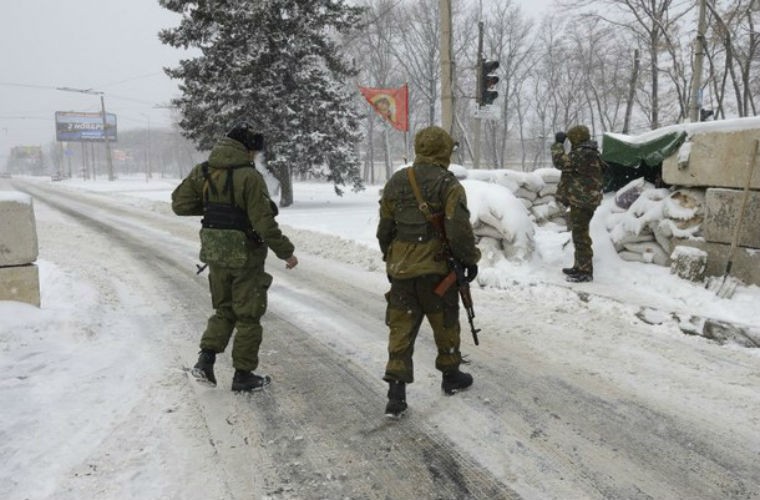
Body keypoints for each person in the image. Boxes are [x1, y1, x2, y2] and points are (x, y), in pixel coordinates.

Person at [171, 122, 298, 392]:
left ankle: (205, 362)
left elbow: (179, 204)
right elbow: (263, 222)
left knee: (224, 309)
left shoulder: (203, 171)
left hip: (215, 252)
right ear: (246, 150)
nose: (255, 157)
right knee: (248, 315)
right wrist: (286, 252)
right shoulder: (250, 177)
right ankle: (243, 375)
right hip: (245, 255)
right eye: (254, 152)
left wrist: (215, 210)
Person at [376, 125, 481, 417]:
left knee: (401, 327)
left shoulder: (396, 181)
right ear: (445, 150)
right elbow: (458, 230)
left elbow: (385, 228)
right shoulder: (448, 184)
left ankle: (396, 392)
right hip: (437, 271)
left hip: (401, 271)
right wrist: (470, 260)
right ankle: (450, 375)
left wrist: (393, 257)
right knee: (445, 322)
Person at [551, 125, 605, 283]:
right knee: (579, 234)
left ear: (576, 138)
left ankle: (585, 271)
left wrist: (558, 144)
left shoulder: (583, 153)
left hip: (583, 202)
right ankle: (579, 266)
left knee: (581, 236)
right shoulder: (590, 153)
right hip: (584, 200)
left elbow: (560, 162)